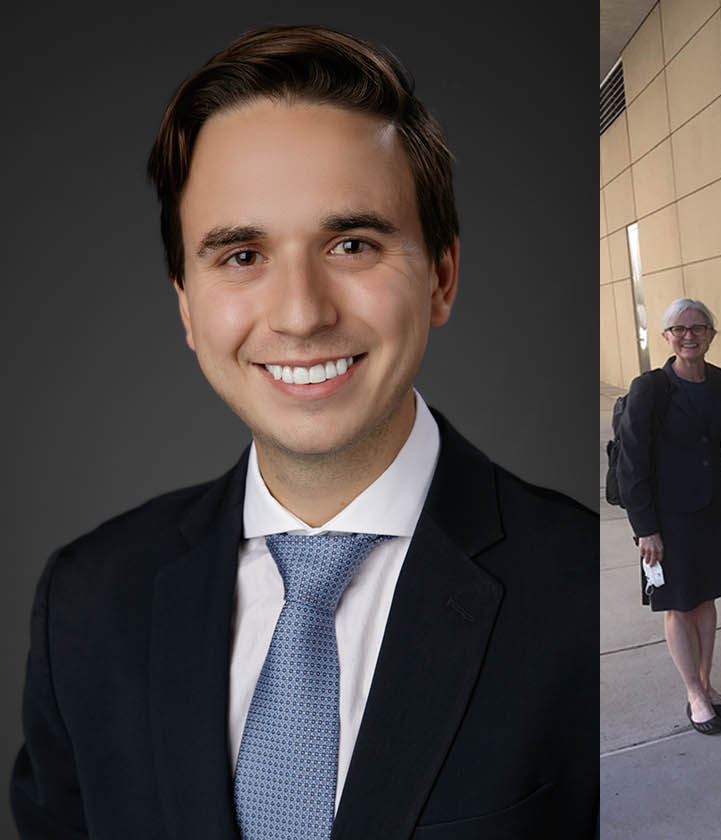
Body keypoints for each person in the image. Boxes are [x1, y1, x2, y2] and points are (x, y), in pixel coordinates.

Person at [10, 26, 595, 838]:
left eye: (352, 243)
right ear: (186, 303)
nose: (300, 313)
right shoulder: (85, 603)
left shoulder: (578, 591)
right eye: (242, 255)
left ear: (442, 276)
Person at [617, 299, 721, 736]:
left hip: (712, 510)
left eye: (699, 327)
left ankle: (707, 684)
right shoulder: (649, 388)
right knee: (678, 605)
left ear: (711, 334)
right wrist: (644, 528)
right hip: (668, 518)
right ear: (666, 337)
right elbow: (631, 464)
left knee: (706, 600)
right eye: (680, 329)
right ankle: (693, 693)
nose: (690, 335)